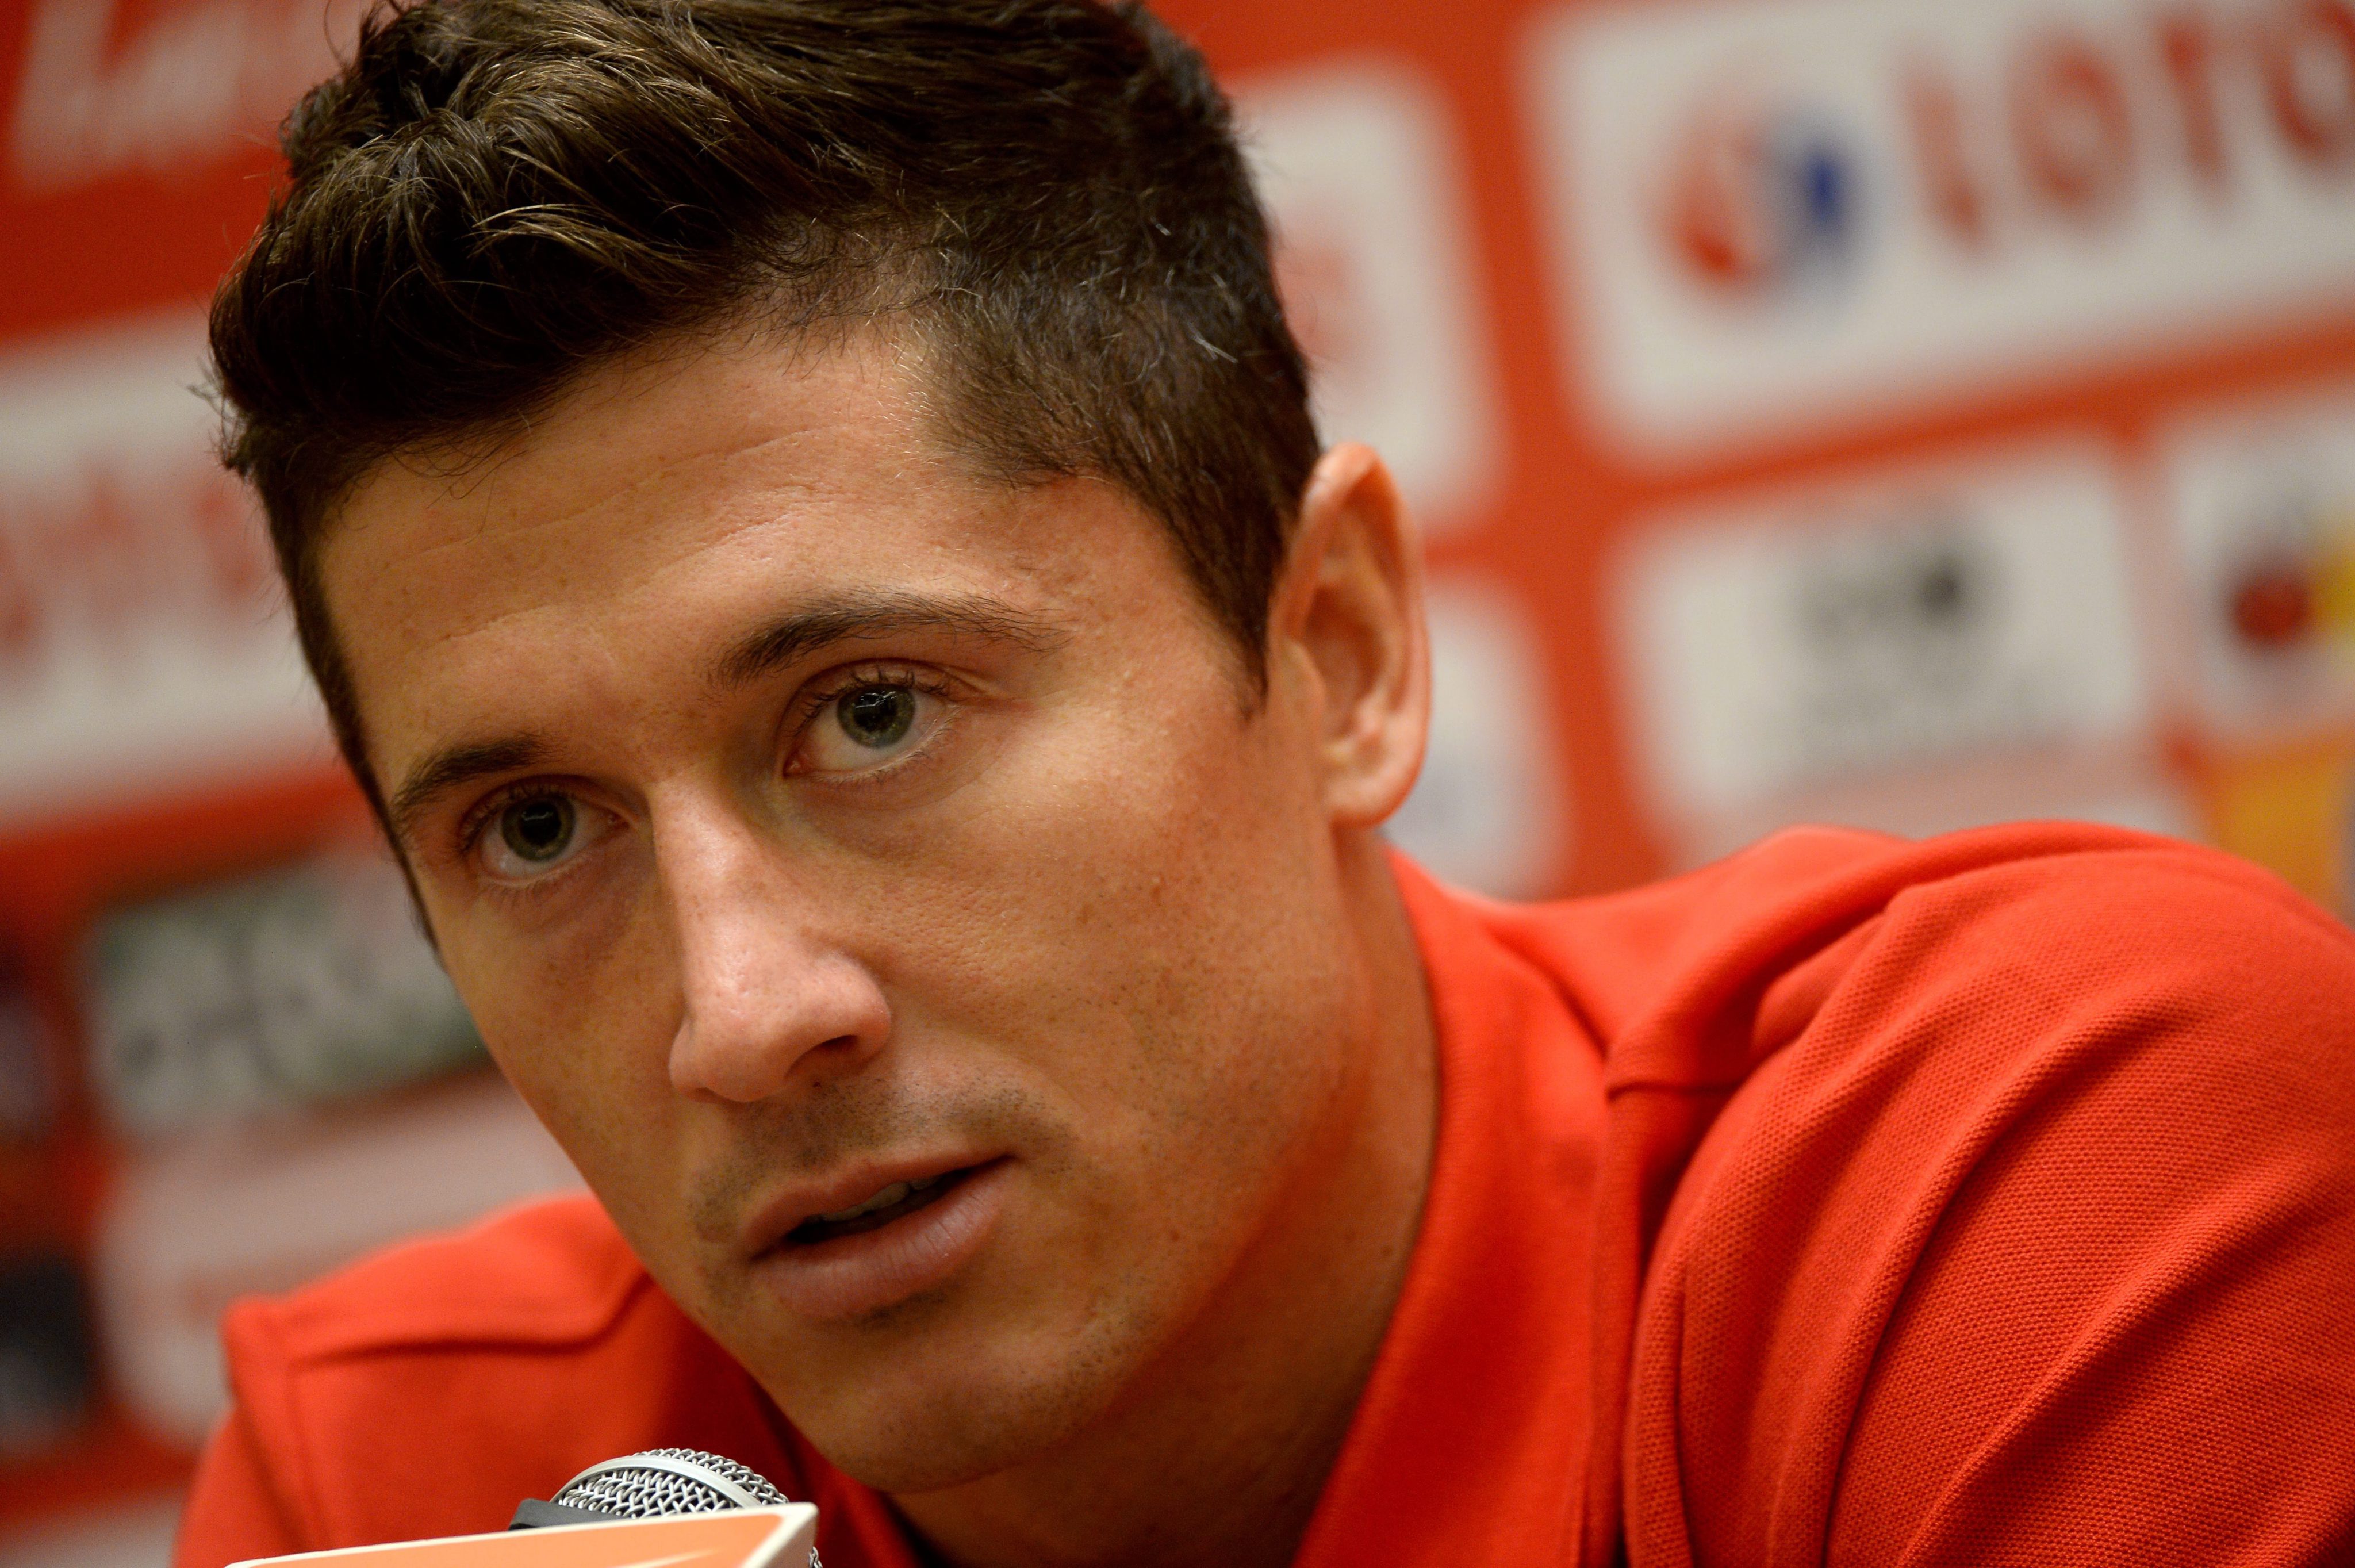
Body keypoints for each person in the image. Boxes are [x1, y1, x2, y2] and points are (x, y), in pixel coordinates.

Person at [174, 1, 2355, 1564]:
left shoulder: (2020, 1166)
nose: (739, 1016)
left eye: (872, 712)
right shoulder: (404, 1493)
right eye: (535, 829)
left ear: (1338, 655)